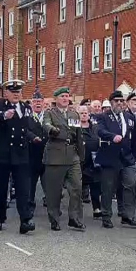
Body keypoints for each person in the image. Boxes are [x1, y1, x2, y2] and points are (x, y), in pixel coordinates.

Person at [0, 80, 39, 233]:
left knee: (23, 188)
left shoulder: (25, 107)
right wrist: (4, 115)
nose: (16, 94)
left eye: (18, 92)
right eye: (13, 92)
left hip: (21, 153)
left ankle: (25, 220)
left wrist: (32, 137)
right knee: (0, 188)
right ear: (7, 93)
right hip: (3, 153)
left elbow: (25, 128)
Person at [42, 87, 86, 231]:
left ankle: (74, 218)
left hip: (72, 154)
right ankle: (54, 218)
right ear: (56, 99)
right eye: (62, 96)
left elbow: (79, 135)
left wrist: (81, 155)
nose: (65, 98)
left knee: (77, 188)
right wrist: (52, 130)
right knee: (54, 191)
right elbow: (46, 125)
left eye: (67, 96)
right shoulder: (50, 113)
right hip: (56, 154)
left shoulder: (74, 114)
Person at [96, 91, 136, 229]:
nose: (120, 103)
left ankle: (127, 216)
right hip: (110, 157)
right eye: (117, 101)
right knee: (108, 188)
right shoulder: (103, 117)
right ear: (111, 103)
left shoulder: (129, 117)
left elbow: (134, 139)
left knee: (130, 186)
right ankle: (106, 215)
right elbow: (99, 130)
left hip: (127, 158)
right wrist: (112, 136)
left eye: (122, 100)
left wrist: (134, 157)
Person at [79, 105, 102, 218]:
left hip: (93, 160)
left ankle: (97, 208)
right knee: (78, 185)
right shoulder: (75, 128)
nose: (84, 114)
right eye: (81, 113)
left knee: (95, 184)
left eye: (85, 113)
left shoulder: (94, 128)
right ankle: (77, 208)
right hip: (80, 161)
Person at [29, 95, 48, 213]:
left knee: (49, 183)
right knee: (31, 183)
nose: (38, 104)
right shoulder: (27, 117)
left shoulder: (48, 117)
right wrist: (32, 137)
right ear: (32, 104)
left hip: (47, 155)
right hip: (32, 155)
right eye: (35, 102)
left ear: (43, 103)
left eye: (40, 102)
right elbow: (24, 130)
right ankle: (30, 205)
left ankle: (51, 205)